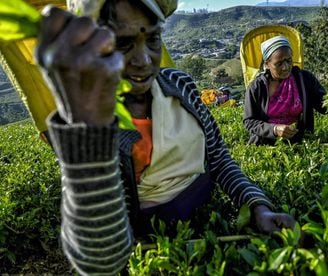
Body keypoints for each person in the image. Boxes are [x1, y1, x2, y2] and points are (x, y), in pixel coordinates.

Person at [35, 0, 296, 274]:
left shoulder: (180, 85)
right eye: (123, 44)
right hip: (152, 244)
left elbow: (219, 159)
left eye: (152, 39)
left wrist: (258, 207)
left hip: (208, 216)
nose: (144, 60)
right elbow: (100, 257)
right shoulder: (88, 123)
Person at [243, 35, 328, 145]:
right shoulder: (257, 87)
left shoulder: (305, 79)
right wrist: (274, 129)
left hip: (301, 143)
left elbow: (324, 108)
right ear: (267, 64)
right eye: (278, 63)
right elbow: (249, 122)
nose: (285, 67)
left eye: (288, 60)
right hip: (265, 146)